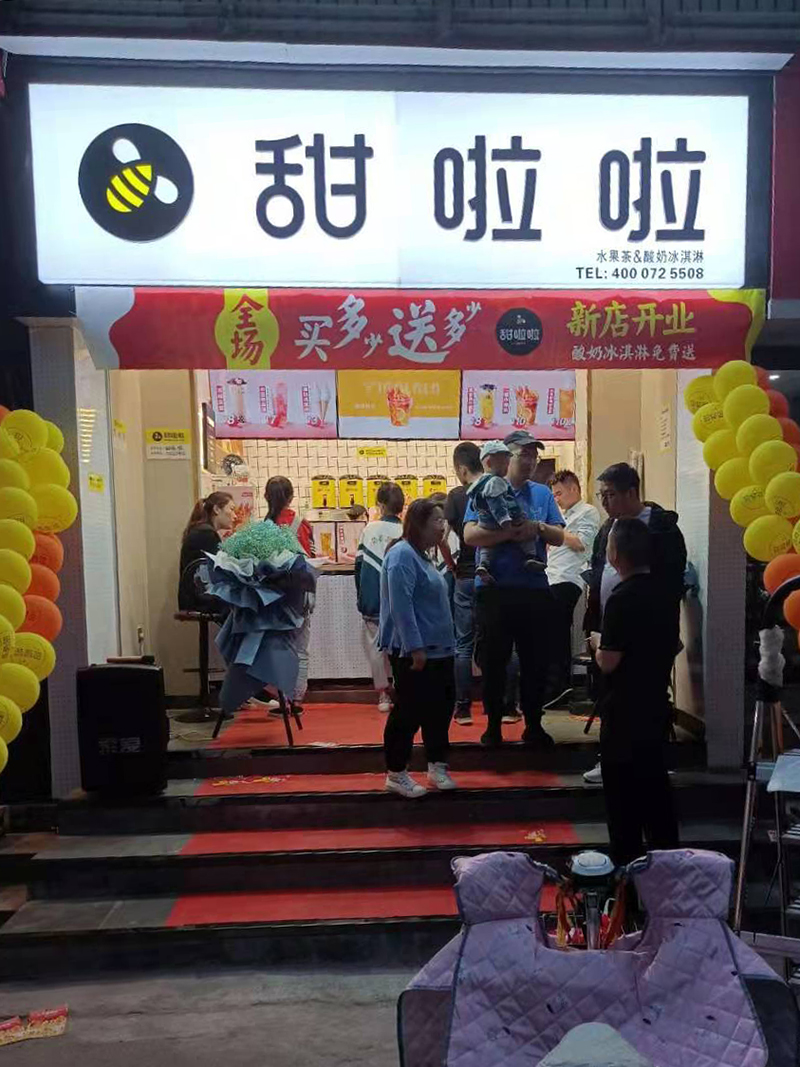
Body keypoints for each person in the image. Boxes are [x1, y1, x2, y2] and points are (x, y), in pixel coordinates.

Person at [583, 462, 686, 784]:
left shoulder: (662, 528)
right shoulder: (607, 528)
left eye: (610, 494)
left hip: (649, 628)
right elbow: (599, 571)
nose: (605, 502)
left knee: (650, 696)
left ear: (631, 492)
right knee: (611, 694)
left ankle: (654, 760)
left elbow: (671, 581)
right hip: (610, 622)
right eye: (601, 495)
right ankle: (610, 758)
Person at [464, 430, 565, 748]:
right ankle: (493, 725)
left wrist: (537, 528)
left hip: (534, 589)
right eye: (524, 454)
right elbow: (470, 536)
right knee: (493, 661)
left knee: (536, 661)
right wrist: (510, 534)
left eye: (534, 455)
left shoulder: (542, 494)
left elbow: (559, 536)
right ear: (506, 457)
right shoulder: (486, 486)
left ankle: (534, 724)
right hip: (493, 589)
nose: (531, 461)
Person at [594, 517, 679, 865]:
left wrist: (597, 645)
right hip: (656, 704)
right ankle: (667, 870)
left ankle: (627, 881)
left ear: (615, 554)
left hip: (624, 713)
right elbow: (675, 644)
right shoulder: (665, 592)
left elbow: (609, 661)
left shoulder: (622, 598)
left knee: (623, 805)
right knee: (657, 797)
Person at [378, 497, 456, 798]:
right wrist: (415, 648)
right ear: (419, 524)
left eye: (443, 520)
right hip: (417, 653)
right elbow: (401, 607)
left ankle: (437, 765)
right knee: (409, 712)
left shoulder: (424, 555)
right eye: (437, 521)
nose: (442, 526)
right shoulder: (401, 555)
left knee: (440, 709)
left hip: (441, 649)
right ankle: (396, 773)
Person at [544, 471, 601, 710]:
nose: (556, 499)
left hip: (567, 578)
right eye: (554, 495)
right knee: (550, 634)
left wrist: (554, 532)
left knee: (557, 634)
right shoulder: (562, 515)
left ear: (574, 489)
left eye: (559, 493)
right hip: (550, 577)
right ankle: (552, 687)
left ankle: (559, 688)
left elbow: (582, 544)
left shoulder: (588, 511)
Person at [264, 476, 315, 711]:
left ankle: (282, 698)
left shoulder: (264, 527)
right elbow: (310, 559)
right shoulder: (301, 524)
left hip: (273, 595)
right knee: (300, 648)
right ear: (291, 497)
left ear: (266, 497)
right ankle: (296, 699)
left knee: (278, 646)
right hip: (300, 594)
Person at [354, 481, 405, 713]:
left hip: (373, 599)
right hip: (401, 601)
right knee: (402, 646)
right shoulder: (407, 531)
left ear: (380, 505)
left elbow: (359, 567)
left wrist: (361, 597)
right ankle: (403, 690)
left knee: (376, 647)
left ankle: (383, 695)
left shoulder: (369, 529)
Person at [467, 441, 545, 581]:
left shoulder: (479, 482)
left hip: (484, 521)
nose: (507, 466)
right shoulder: (496, 482)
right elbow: (497, 504)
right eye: (504, 463)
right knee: (526, 535)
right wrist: (506, 522)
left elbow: (473, 499)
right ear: (489, 462)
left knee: (488, 545)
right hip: (499, 520)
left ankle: (483, 564)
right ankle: (531, 556)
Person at [178, 491, 235, 611]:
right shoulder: (206, 534)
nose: (234, 516)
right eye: (231, 509)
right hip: (201, 600)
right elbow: (220, 570)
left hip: (194, 597)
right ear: (217, 509)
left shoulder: (201, 530)